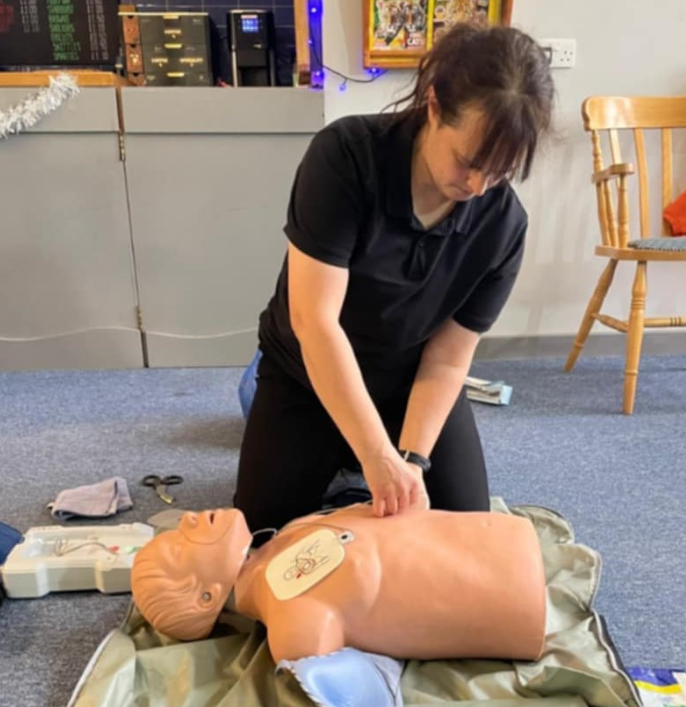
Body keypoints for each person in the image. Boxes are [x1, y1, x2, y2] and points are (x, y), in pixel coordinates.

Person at [234, 22, 555, 535]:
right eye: (468, 162)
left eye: (497, 172)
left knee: (464, 533)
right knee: (260, 540)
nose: (476, 186)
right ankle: (258, 394)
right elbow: (314, 321)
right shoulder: (345, 156)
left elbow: (449, 357)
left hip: (407, 380)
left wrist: (409, 460)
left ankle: (358, 457)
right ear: (432, 105)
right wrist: (374, 455)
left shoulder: (504, 225)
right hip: (305, 371)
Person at [129, 504, 547, 664]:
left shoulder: (289, 532)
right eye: (180, 548)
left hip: (504, 538)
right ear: (206, 597)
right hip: (517, 596)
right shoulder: (292, 620)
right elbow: (314, 660)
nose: (185, 519)